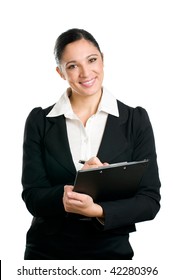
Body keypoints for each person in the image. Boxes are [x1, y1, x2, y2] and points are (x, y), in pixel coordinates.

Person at [21, 28, 161, 260]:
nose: (86, 73)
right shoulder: (40, 121)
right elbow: (33, 196)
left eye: (92, 60)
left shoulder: (135, 120)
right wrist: (65, 196)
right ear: (60, 72)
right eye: (73, 65)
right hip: (46, 253)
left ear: (103, 60)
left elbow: (149, 201)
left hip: (111, 253)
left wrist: (98, 210)